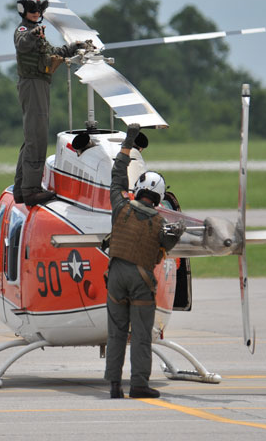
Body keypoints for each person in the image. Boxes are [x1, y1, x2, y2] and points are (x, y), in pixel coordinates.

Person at [104, 123, 184, 399]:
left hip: (115, 277)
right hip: (140, 281)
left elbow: (116, 175)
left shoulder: (120, 207)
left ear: (137, 189)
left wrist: (128, 141)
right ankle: (138, 385)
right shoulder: (161, 221)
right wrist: (179, 230)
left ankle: (114, 385)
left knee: (115, 333)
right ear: (159, 198)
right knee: (139, 335)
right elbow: (168, 245)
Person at [12, 0, 85, 207]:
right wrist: (34, 35)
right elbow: (22, 42)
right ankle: (32, 190)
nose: (36, 11)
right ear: (23, 9)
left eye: (40, 7)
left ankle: (21, 188)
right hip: (33, 84)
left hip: (39, 85)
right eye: (32, 7)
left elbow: (51, 54)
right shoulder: (26, 29)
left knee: (32, 138)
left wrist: (72, 49)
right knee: (37, 138)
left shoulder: (37, 30)